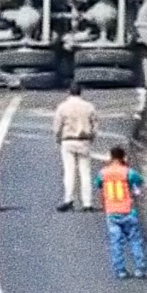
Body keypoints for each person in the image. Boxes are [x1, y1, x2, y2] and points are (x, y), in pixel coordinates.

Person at [94, 146, 147, 279]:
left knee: (116, 242)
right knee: (134, 240)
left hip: (111, 212)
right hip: (128, 210)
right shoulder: (128, 172)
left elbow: (98, 184)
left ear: (111, 157)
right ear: (123, 157)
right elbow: (139, 180)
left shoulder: (103, 173)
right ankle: (140, 269)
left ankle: (120, 270)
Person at [53, 81, 97, 212]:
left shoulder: (63, 107)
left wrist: (58, 139)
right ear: (80, 92)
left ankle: (68, 200)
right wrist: (92, 137)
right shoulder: (89, 107)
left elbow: (57, 126)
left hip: (68, 140)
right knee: (85, 172)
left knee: (69, 172)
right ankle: (87, 203)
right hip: (84, 140)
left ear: (69, 92)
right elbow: (95, 125)